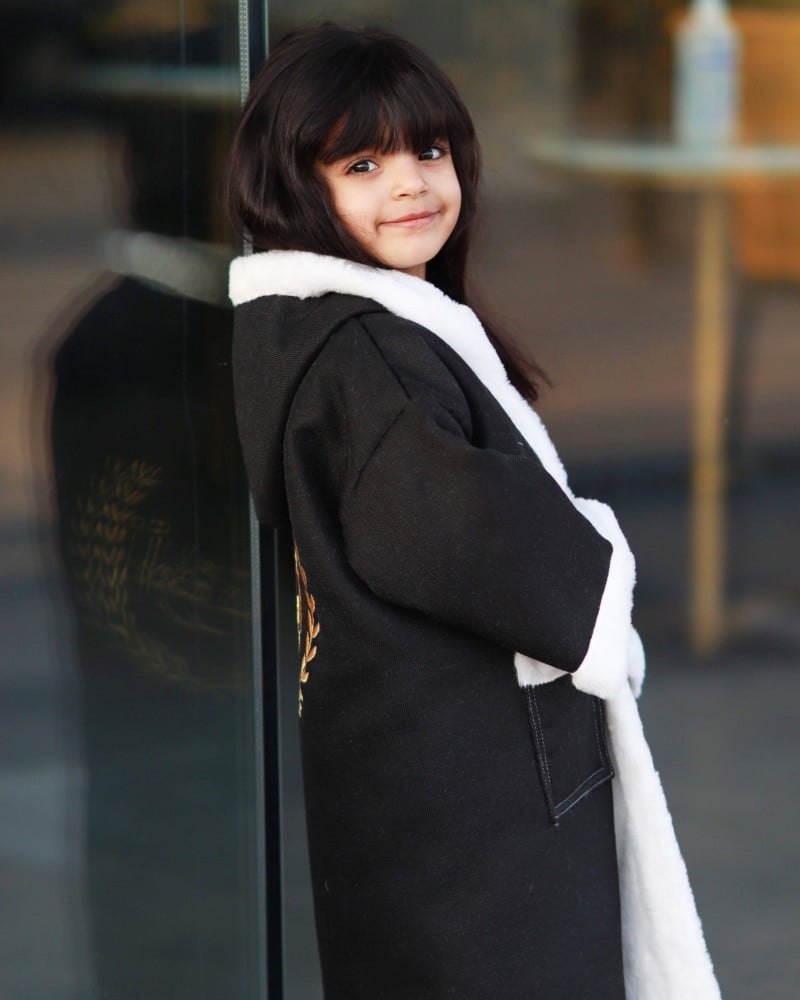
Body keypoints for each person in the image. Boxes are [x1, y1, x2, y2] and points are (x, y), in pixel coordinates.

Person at [225, 23, 721, 1000]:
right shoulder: (367, 358)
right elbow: (453, 527)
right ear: (293, 187)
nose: (410, 183)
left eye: (429, 150)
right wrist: (592, 575)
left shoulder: (336, 335)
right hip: (464, 794)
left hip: (414, 768)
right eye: (362, 164)